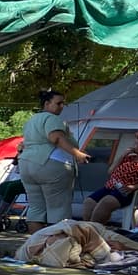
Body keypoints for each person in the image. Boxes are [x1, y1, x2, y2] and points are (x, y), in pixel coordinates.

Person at [18, 89, 89, 234]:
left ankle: (35, 247)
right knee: (58, 208)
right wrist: (78, 154)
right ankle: (55, 247)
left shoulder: (32, 120)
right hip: (50, 164)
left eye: (63, 103)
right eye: (59, 103)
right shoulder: (52, 119)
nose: (62, 106)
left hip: (26, 164)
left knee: (36, 208)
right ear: (47, 103)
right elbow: (56, 138)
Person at [80, 130, 138, 226]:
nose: (134, 145)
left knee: (105, 203)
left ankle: (93, 230)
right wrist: (122, 156)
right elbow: (110, 171)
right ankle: (89, 229)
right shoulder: (131, 157)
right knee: (89, 202)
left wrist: (134, 187)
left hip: (127, 191)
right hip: (111, 186)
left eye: (137, 144)